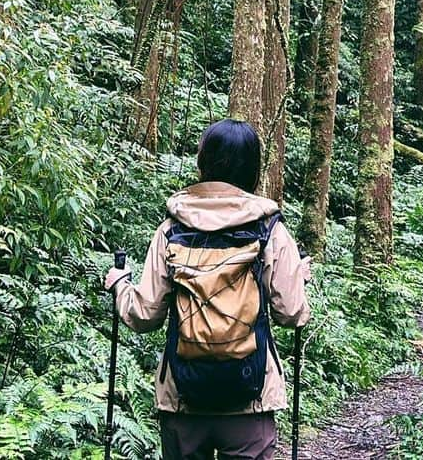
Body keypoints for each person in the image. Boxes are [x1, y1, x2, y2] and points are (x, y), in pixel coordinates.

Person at [105, 119, 311, 460]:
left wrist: (120, 286)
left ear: (203, 163)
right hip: (251, 401)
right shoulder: (270, 232)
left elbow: (143, 315)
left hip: (183, 401)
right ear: (253, 167)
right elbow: (291, 313)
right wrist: (297, 279)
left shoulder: (171, 230)